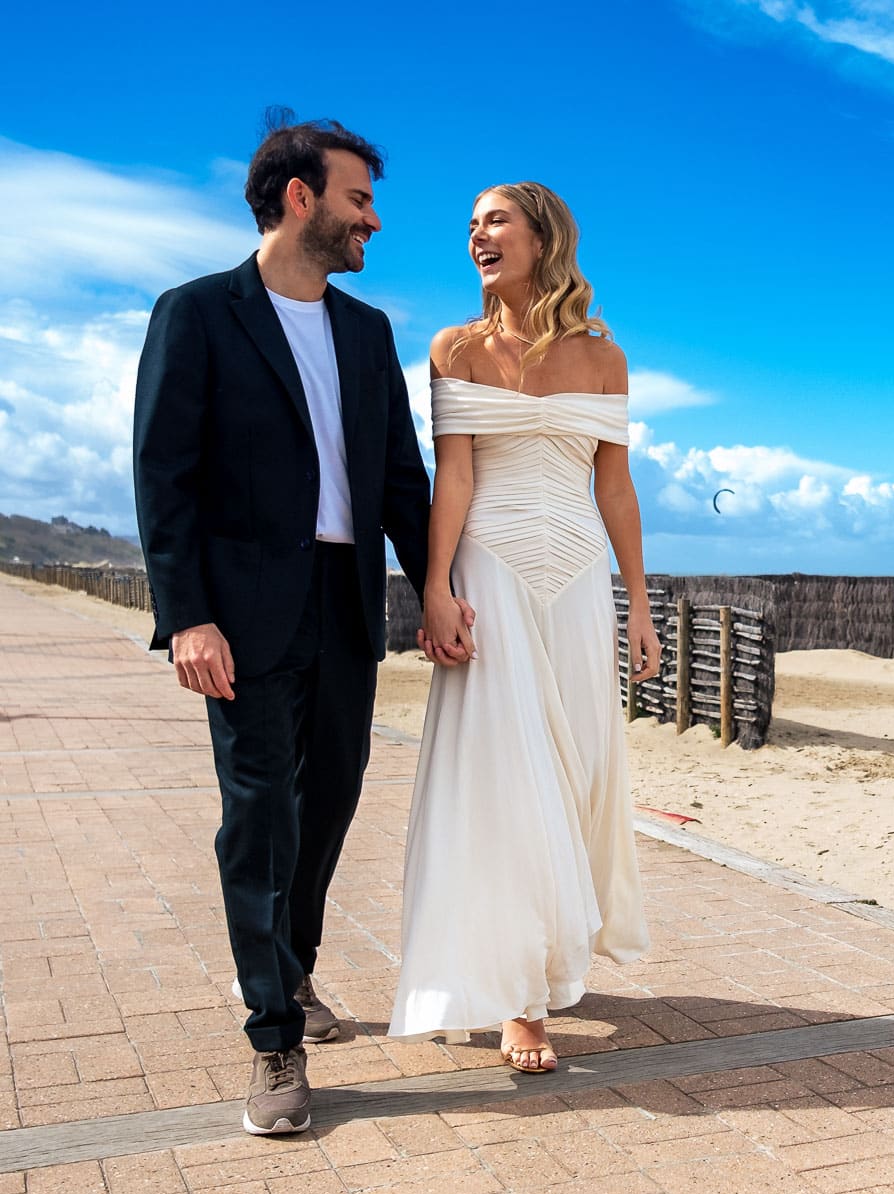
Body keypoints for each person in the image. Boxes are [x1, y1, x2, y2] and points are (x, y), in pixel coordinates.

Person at [132, 112, 472, 1135]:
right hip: (238, 612)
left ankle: (296, 967)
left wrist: (439, 585)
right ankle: (273, 1034)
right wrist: (186, 615)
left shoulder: (367, 333)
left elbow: (403, 484)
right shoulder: (195, 314)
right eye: (359, 198)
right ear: (299, 198)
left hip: (342, 601)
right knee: (259, 816)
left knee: (327, 800)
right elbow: (165, 478)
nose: (373, 219)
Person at [388, 181, 662, 1071]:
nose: (476, 234)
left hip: (579, 577)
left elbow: (613, 488)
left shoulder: (605, 358)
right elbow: (454, 480)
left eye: (494, 219)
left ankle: (543, 954)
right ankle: (520, 1000)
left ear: (542, 236)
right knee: (506, 774)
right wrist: (435, 587)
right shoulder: (453, 349)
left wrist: (640, 606)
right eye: (469, 223)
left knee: (575, 766)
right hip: (491, 569)